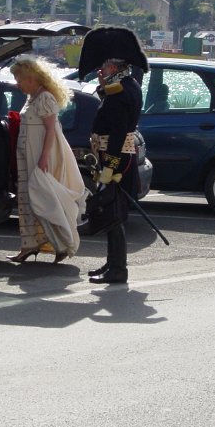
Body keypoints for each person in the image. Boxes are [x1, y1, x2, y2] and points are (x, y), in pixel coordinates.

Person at [6, 55, 86, 264]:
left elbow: (51, 131)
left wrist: (43, 158)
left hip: (39, 156)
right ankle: (30, 244)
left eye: (19, 79)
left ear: (31, 78)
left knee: (44, 198)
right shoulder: (32, 97)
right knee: (28, 198)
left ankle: (62, 243)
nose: (17, 84)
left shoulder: (45, 98)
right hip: (27, 155)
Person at [87, 52, 144, 285]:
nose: (102, 70)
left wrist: (110, 165)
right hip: (118, 154)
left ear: (113, 67)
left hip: (117, 157)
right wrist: (103, 88)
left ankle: (118, 268)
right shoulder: (126, 86)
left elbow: (118, 131)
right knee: (112, 212)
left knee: (114, 213)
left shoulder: (120, 91)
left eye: (105, 66)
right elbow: (109, 111)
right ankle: (112, 262)